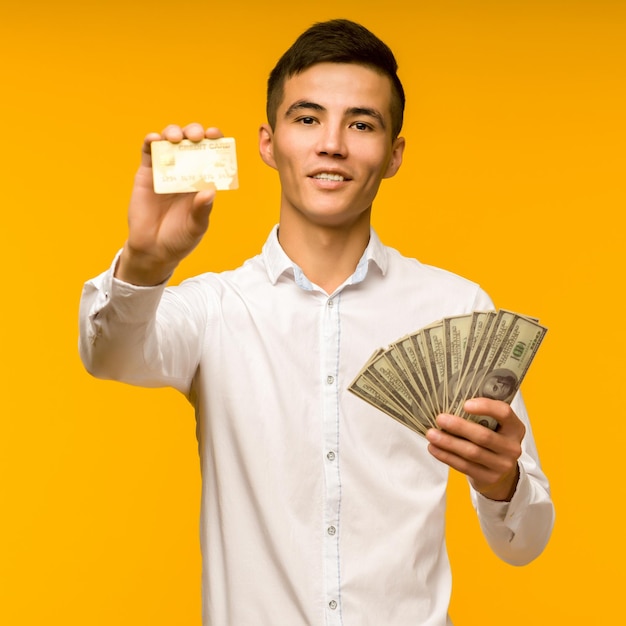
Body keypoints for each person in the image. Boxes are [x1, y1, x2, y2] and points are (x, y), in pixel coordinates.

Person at [79, 18, 554, 626]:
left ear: (394, 155)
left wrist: (504, 482)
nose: (332, 143)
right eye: (307, 119)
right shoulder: (214, 309)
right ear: (268, 144)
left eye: (361, 123)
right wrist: (145, 264)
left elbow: (525, 542)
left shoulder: (457, 308)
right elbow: (109, 354)